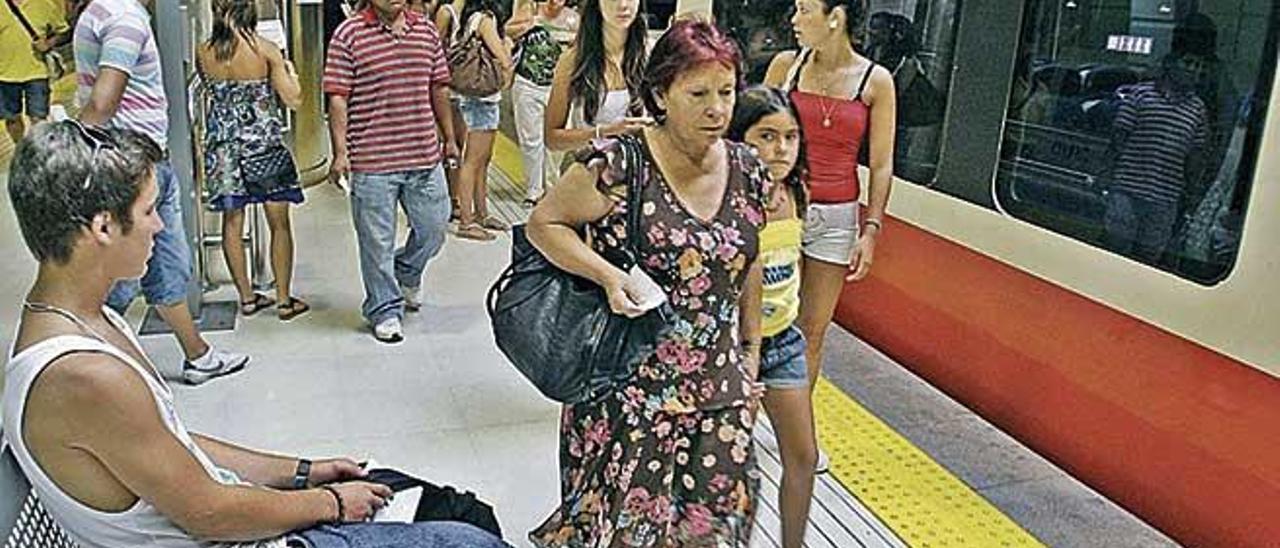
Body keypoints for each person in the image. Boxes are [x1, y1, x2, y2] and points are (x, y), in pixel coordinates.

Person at [3, 122, 508, 548]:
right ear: (103, 228)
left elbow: (171, 444)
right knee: (469, 540)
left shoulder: (83, 319)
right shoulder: (81, 375)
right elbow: (209, 512)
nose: (159, 226)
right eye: (149, 210)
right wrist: (330, 503)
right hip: (228, 536)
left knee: (459, 510)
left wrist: (305, 471)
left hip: (229, 521)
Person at [528, 20, 764, 546]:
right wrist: (608, 276)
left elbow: (748, 260)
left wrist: (751, 354)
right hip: (628, 389)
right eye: (698, 93)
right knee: (627, 530)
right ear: (661, 93)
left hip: (719, 391)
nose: (717, 109)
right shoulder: (619, 164)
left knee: (710, 529)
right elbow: (543, 224)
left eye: (726, 93)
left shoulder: (750, 169)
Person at [76, 0, 250, 385]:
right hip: (130, 170)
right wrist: (79, 162)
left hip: (149, 165)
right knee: (119, 281)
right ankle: (86, 371)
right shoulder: (124, 17)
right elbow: (103, 103)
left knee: (168, 265)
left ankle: (198, 356)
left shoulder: (107, 12)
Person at [764, 0, 895, 471]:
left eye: (803, 10)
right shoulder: (785, 68)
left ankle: (791, 430)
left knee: (812, 331)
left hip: (837, 217)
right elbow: (756, 133)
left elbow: (880, 164)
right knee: (762, 320)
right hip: (781, 208)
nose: (794, 20)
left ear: (835, 17)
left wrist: (871, 229)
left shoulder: (875, 82)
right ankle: (742, 413)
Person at [324, 0, 458, 343]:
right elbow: (338, 96)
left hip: (423, 154)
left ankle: (407, 270)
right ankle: (384, 308)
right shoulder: (349, 33)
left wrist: (450, 137)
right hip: (372, 159)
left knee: (435, 226)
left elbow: (438, 86)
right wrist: (340, 153)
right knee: (376, 243)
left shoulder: (425, 30)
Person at [727, 85, 816, 548]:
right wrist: (746, 352)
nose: (781, 149)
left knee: (803, 455)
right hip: (734, 348)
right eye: (766, 136)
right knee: (733, 463)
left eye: (791, 137)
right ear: (739, 139)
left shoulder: (796, 192)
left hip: (782, 341)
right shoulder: (726, 197)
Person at [197, 0, 310, 321]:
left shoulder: (203, 51)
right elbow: (294, 99)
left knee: (232, 222)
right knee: (279, 224)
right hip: (264, 148)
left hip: (224, 150)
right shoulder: (266, 50)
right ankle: (284, 301)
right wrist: (290, 72)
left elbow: (211, 92)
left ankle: (246, 298)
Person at [1103, 51, 1209, 265]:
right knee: (1115, 248)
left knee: (1149, 258)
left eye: (1198, 66)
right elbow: (1119, 137)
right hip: (1127, 189)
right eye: (1188, 61)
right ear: (1170, 64)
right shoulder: (1141, 95)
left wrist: (1192, 191)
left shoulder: (1197, 109)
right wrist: (1107, 174)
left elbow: (1195, 156)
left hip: (1165, 197)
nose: (1193, 69)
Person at [542, 0, 650, 153]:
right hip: (588, 170)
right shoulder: (573, 60)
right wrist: (602, 133)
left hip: (636, 170)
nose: (623, 5)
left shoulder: (650, 56)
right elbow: (552, 139)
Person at [448, 0, 514, 242]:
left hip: (480, 97)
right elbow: (503, 59)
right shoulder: (484, 20)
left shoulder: (473, 17)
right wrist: (507, 52)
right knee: (473, 161)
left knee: (482, 161)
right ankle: (467, 221)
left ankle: (481, 213)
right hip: (481, 99)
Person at [505, 0, 578, 206]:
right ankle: (534, 190)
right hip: (528, 83)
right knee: (531, 140)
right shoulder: (529, 9)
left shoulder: (574, 18)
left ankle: (552, 184)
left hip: (560, 88)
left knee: (559, 139)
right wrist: (527, 25)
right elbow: (507, 30)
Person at [1, 0, 67, 146]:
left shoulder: (45, 3)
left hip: (38, 72)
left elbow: (62, 31)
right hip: (4, 74)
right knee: (11, 118)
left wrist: (49, 43)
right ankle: (20, 149)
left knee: (39, 119)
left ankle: (40, 152)